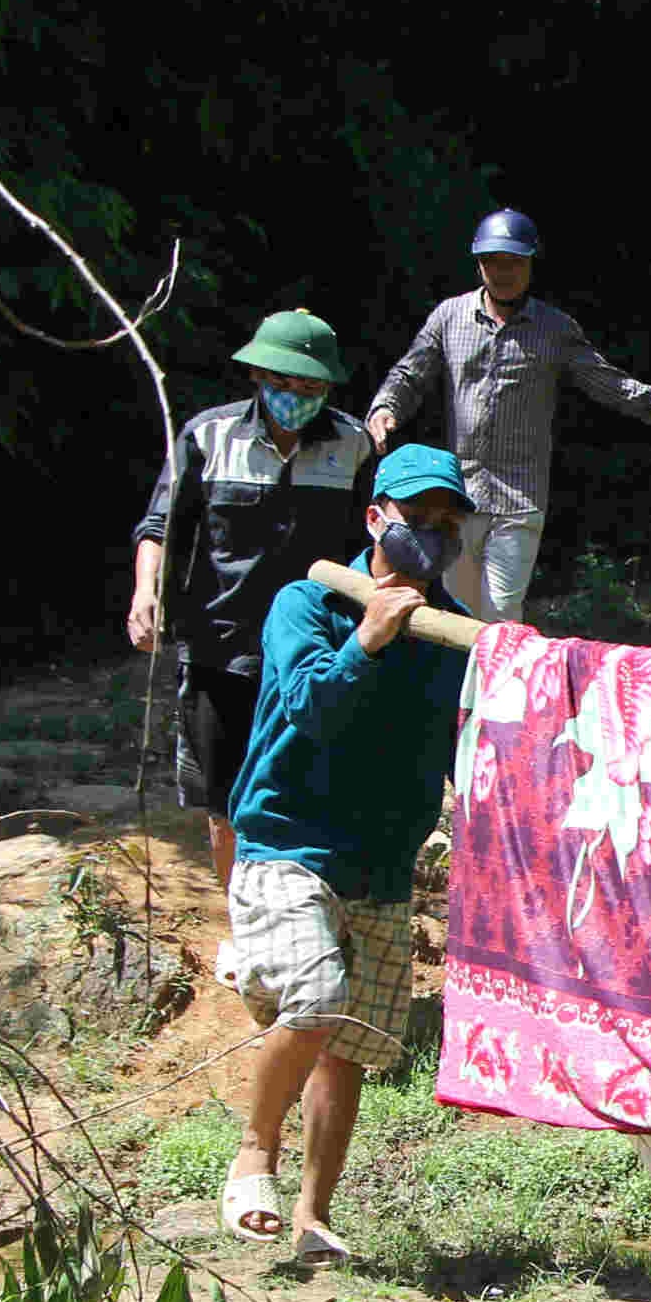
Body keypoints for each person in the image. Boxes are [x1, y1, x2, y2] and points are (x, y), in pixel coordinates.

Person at [215, 445, 478, 1252]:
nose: (429, 536)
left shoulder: (447, 634)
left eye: (446, 525)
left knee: (352, 1048)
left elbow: (459, 751)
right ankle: (252, 1154)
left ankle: (312, 1216)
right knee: (320, 999)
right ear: (375, 518)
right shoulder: (308, 602)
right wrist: (368, 636)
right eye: (414, 518)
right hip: (288, 843)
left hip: (381, 862)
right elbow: (309, 709)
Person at [363, 208, 651, 623]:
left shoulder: (554, 328)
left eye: (514, 263)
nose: (503, 272)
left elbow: (614, 386)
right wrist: (386, 405)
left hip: (519, 497)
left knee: (501, 613)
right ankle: (454, 689)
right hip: (457, 500)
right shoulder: (449, 316)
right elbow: (412, 372)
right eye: (493, 262)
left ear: (531, 264)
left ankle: (504, 690)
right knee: (455, 613)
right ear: (479, 264)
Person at [128, 309, 375, 889]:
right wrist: (146, 592)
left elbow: (370, 542)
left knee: (312, 784)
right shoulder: (208, 437)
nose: (294, 394)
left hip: (315, 650)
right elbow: (161, 526)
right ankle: (242, 922)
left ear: (328, 385)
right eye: (281, 381)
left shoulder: (354, 445)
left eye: (309, 384)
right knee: (225, 796)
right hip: (220, 645)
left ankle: (311, 908)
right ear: (257, 376)